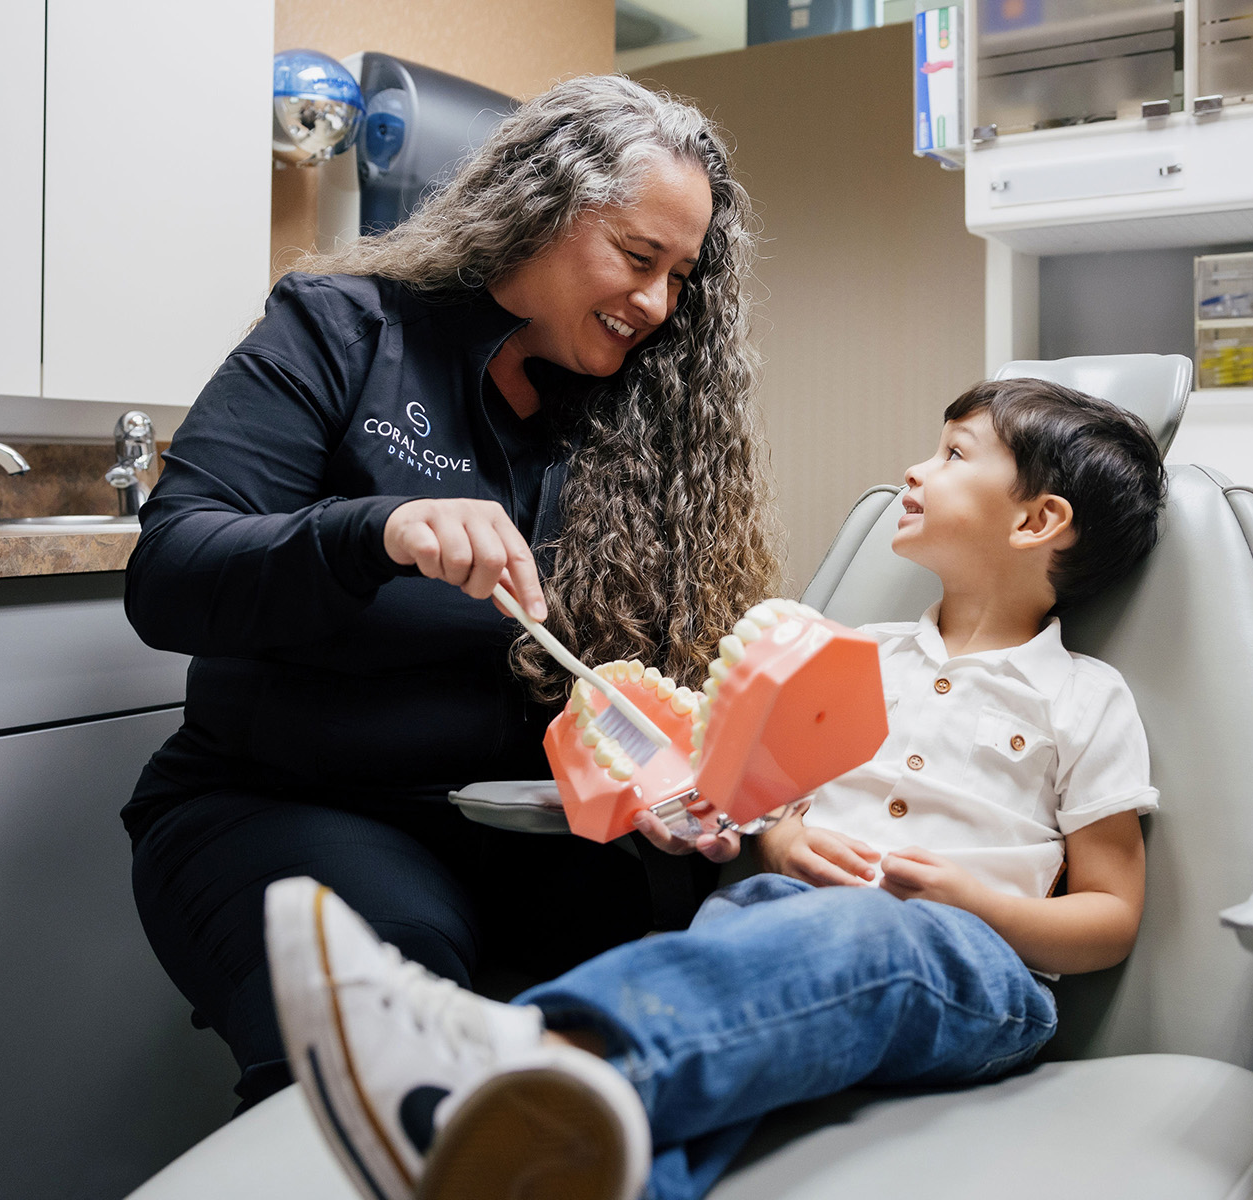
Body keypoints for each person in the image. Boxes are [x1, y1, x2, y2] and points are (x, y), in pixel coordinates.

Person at [264, 377, 1171, 1200]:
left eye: (954, 453)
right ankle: (551, 1168)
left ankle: (516, 1056)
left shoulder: (1083, 697)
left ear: (1036, 521)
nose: (916, 467)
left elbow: (1110, 914)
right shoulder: (849, 659)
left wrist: (976, 902)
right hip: (781, 915)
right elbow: (775, 807)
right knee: (724, 1037)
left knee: (852, 940)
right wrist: (776, 841)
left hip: (979, 973)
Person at [120, 76, 782, 1111]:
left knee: (706, 981)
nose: (656, 306)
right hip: (286, 805)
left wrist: (672, 776)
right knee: (397, 1019)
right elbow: (172, 577)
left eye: (679, 278)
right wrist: (374, 531)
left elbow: (632, 698)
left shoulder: (637, 422)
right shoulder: (342, 330)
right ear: (542, 210)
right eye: (637, 257)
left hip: (525, 835)